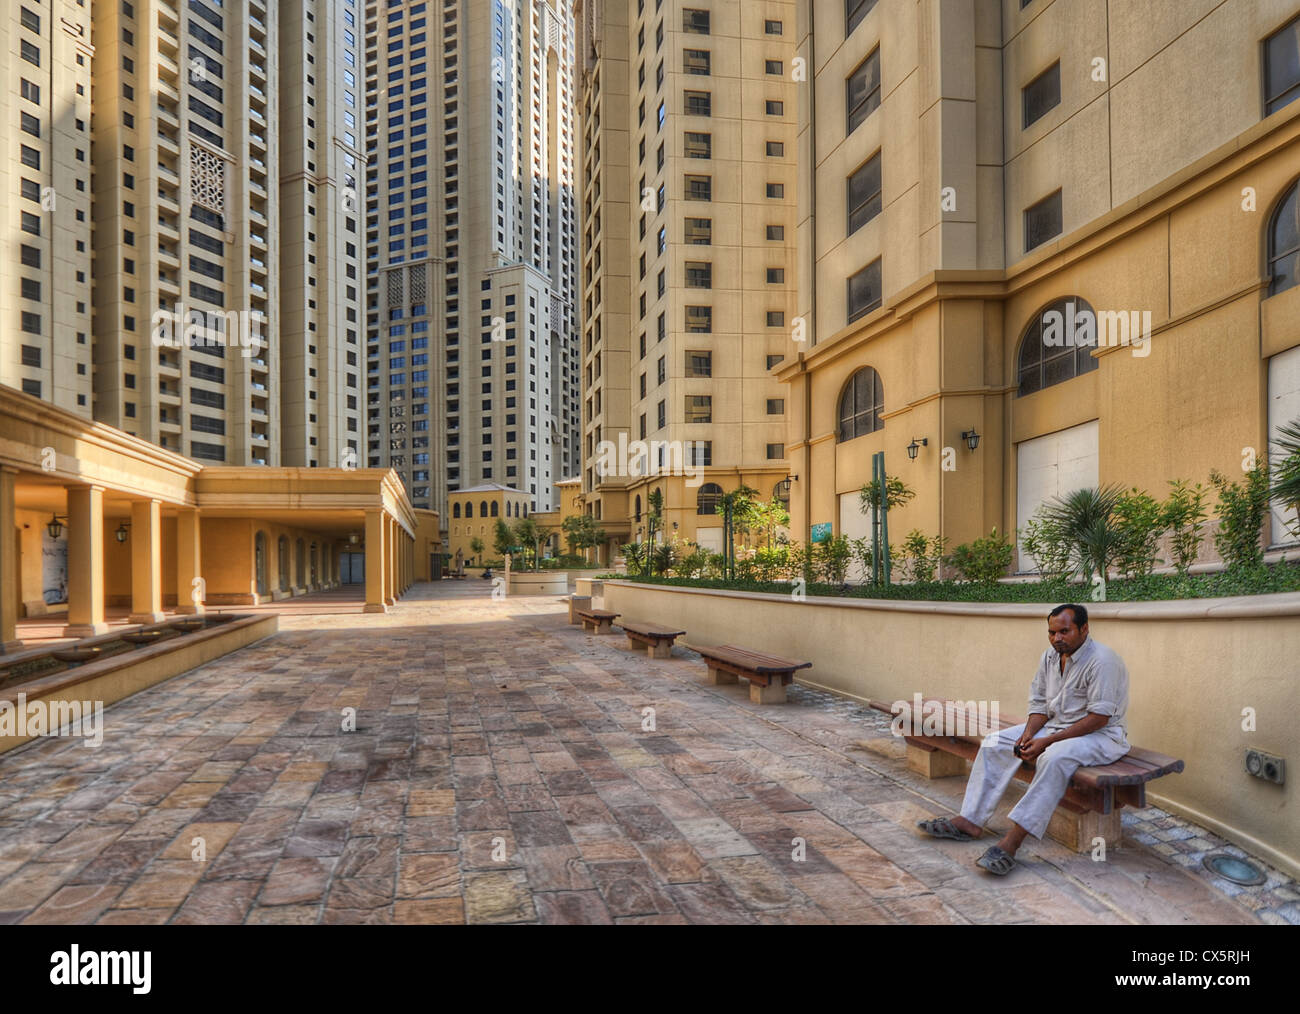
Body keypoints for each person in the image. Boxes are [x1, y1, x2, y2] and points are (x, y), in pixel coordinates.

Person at [916, 603, 1130, 875]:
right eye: (1052, 633)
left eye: (1064, 631)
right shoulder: (1050, 657)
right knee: (995, 742)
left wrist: (1047, 743)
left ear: (1084, 629)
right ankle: (970, 820)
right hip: (1057, 728)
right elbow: (1040, 705)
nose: (1057, 639)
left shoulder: (1103, 661)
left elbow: (1099, 718)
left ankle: (1011, 844)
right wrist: (1027, 736)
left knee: (1053, 758)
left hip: (1101, 736)